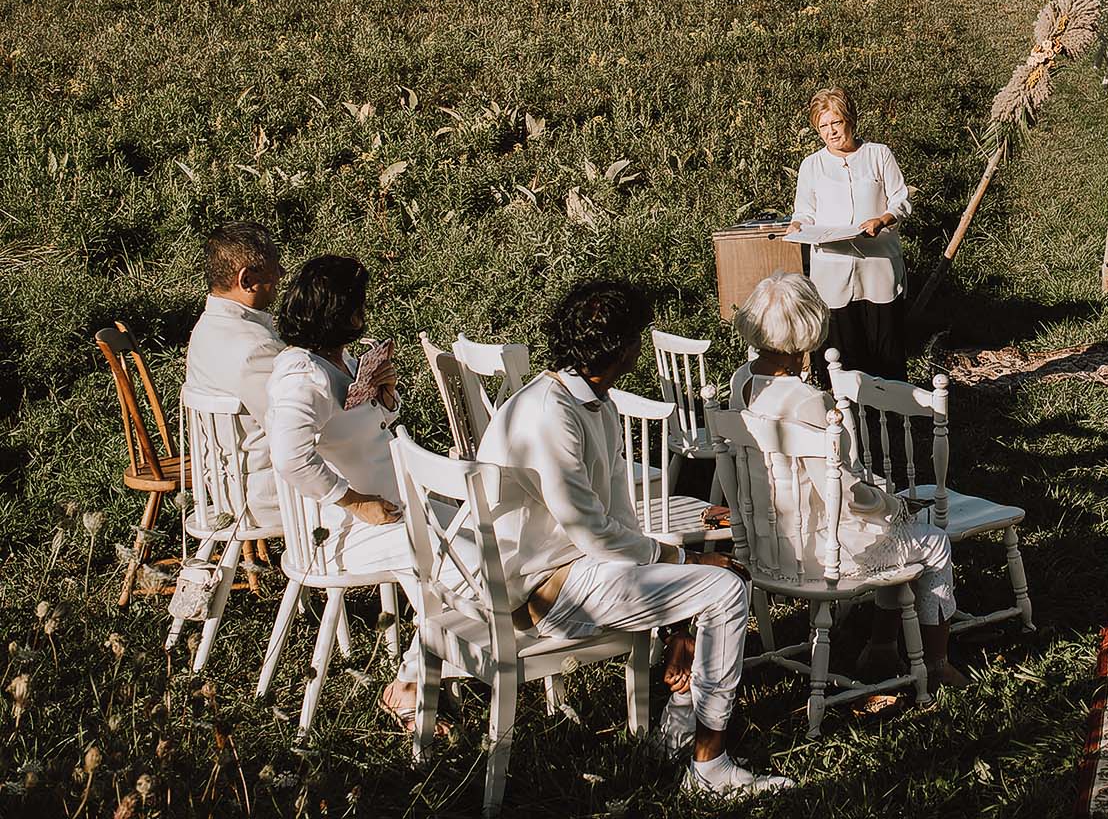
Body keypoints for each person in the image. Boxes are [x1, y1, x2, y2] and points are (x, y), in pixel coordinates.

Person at [475, 278, 791, 797]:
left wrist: (677, 619)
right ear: (622, 347)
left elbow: (620, 520)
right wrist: (685, 558)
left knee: (713, 582)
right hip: (536, 590)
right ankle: (710, 770)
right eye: (637, 337)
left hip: (567, 568)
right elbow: (595, 533)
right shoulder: (552, 415)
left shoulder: (590, 401)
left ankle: (677, 727)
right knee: (729, 586)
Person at [727, 272, 964, 690]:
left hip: (768, 542)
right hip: (819, 552)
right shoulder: (809, 402)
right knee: (930, 541)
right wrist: (892, 505)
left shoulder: (740, 383)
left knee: (893, 534)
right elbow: (847, 494)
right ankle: (937, 662)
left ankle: (881, 645)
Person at [264, 254, 421, 720]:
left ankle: (421, 673)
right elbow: (289, 455)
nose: (363, 313)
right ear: (339, 313)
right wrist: (355, 503)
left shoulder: (342, 360)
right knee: (452, 555)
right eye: (358, 305)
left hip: (393, 510)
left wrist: (386, 397)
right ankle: (413, 685)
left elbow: (369, 431)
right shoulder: (303, 377)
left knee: (470, 537)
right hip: (343, 529)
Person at [786, 86, 911, 389]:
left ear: (850, 121)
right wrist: (797, 225)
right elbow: (805, 211)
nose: (830, 132)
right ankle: (844, 413)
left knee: (884, 343)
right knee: (840, 347)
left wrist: (882, 220)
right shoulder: (812, 165)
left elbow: (901, 200)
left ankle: (891, 411)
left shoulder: (878, 154)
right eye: (823, 126)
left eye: (836, 123)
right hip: (832, 268)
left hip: (877, 264)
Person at [185, 221, 285, 531]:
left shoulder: (206, 328)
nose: (281, 275)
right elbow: (301, 424)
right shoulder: (253, 347)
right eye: (274, 269)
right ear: (248, 279)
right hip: (266, 497)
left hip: (224, 488)